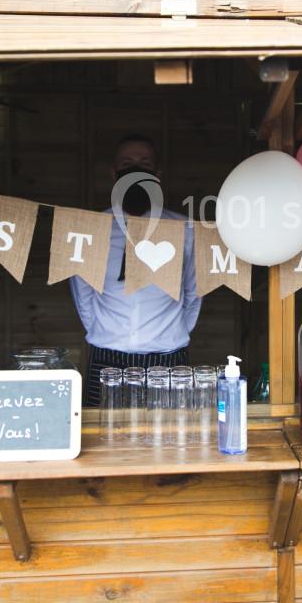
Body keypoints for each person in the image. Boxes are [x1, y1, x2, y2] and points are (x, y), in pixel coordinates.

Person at [70, 134, 201, 405]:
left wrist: (175, 331)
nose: (136, 168)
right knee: (102, 439)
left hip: (168, 355)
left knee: (169, 441)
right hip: (107, 354)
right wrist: (101, 329)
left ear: (158, 174)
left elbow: (194, 290)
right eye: (127, 163)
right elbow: (82, 289)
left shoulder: (184, 229)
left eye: (144, 163)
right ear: (114, 172)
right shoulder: (94, 228)